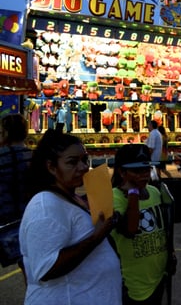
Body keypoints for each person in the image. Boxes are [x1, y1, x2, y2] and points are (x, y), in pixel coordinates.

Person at [19, 130, 122, 304]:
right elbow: (47, 268)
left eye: (84, 160)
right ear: (51, 167)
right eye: (72, 162)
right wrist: (96, 236)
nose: (83, 167)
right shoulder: (44, 206)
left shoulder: (71, 197)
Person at [111, 144, 174, 304]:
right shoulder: (116, 197)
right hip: (133, 283)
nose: (143, 175)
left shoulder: (153, 192)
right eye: (136, 171)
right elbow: (130, 229)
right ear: (122, 172)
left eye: (146, 170)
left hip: (158, 276)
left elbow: (163, 228)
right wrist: (133, 193)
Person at [0, 114, 33, 271]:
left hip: (6, 219)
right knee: (30, 264)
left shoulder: (2, 157)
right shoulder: (34, 157)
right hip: (31, 217)